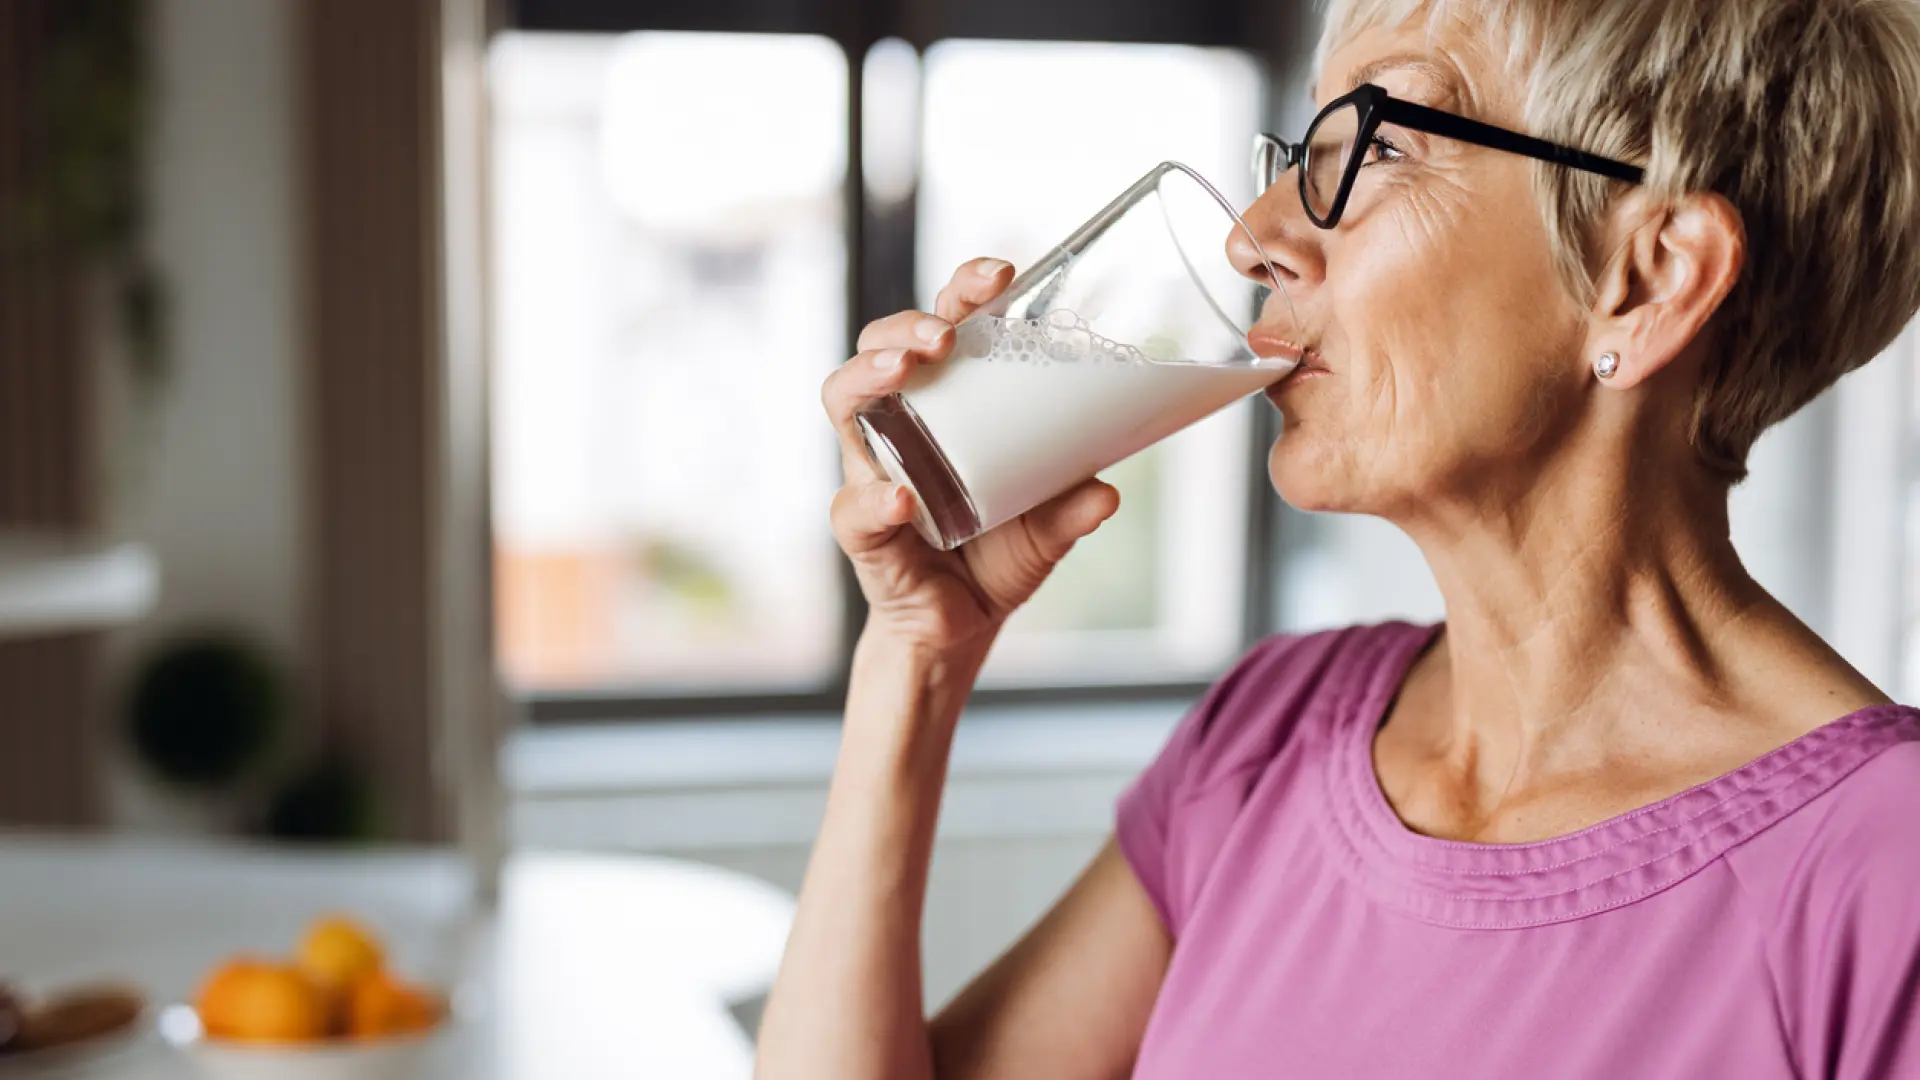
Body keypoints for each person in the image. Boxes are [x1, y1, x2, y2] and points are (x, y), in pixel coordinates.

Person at [757, 0, 1920, 1076]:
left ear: (1650, 277)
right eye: (1297, 155)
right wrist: (914, 655)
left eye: (1378, 144)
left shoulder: (1885, 881)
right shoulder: (1270, 736)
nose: (1254, 238)